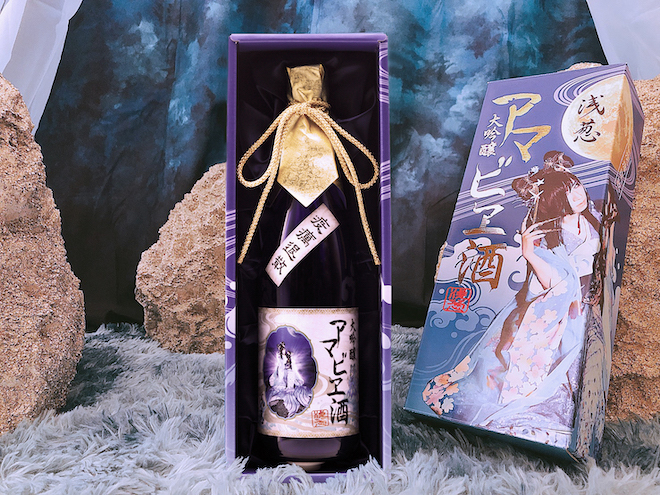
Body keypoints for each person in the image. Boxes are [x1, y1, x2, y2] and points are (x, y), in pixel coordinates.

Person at [423, 151, 603, 447]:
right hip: (558, 308)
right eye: (568, 193)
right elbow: (548, 283)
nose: (579, 195)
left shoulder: (591, 215)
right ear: (556, 200)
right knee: (536, 368)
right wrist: (530, 253)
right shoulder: (548, 233)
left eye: (578, 186)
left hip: (585, 300)